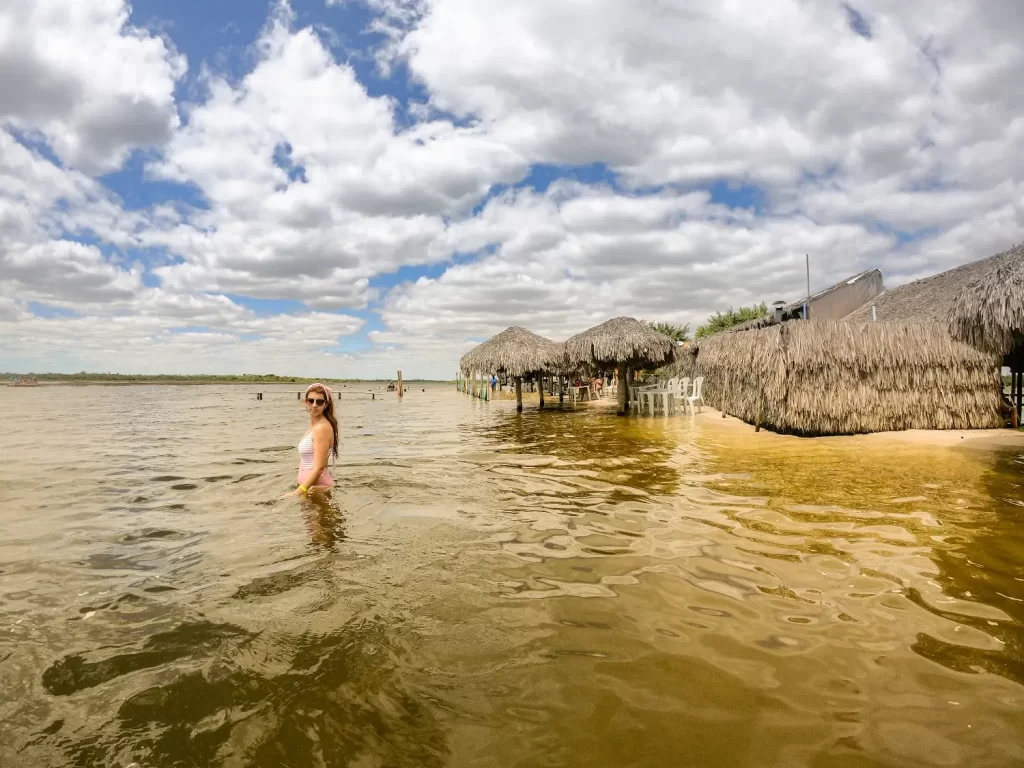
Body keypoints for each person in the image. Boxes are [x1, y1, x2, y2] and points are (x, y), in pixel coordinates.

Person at [293, 383, 339, 496]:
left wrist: (297, 492)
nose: (314, 405)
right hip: (309, 490)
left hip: (316, 491)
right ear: (306, 402)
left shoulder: (321, 428)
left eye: (319, 402)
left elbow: (319, 468)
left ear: (326, 404)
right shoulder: (314, 427)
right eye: (311, 400)